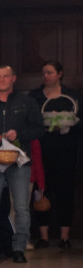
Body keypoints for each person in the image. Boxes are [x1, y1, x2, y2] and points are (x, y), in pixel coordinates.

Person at [0, 65, 44, 264]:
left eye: (6, 76)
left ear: (13, 78)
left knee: (21, 206)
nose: (2, 80)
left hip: (19, 161)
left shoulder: (27, 102)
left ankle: (19, 247)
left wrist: (18, 134)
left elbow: (39, 129)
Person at [29, 60, 80, 249]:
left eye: (49, 72)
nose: (46, 76)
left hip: (67, 151)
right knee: (41, 191)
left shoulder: (72, 96)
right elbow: (30, 122)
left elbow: (80, 122)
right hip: (41, 151)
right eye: (43, 73)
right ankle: (43, 236)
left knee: (65, 192)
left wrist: (66, 124)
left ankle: (64, 236)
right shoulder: (35, 97)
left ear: (60, 74)